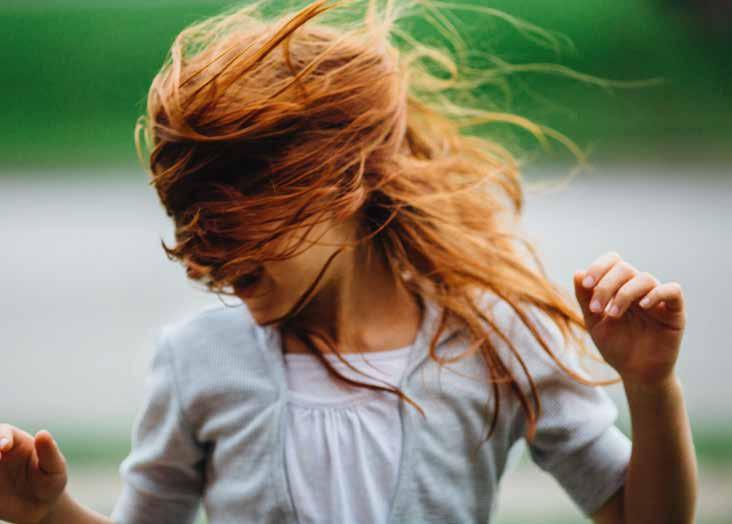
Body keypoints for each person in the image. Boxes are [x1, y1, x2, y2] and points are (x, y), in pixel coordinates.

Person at [0, 0, 697, 522]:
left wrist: (650, 385)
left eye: (237, 219)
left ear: (346, 183)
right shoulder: (196, 362)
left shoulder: (497, 342)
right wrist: (48, 512)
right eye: (189, 219)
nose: (205, 252)